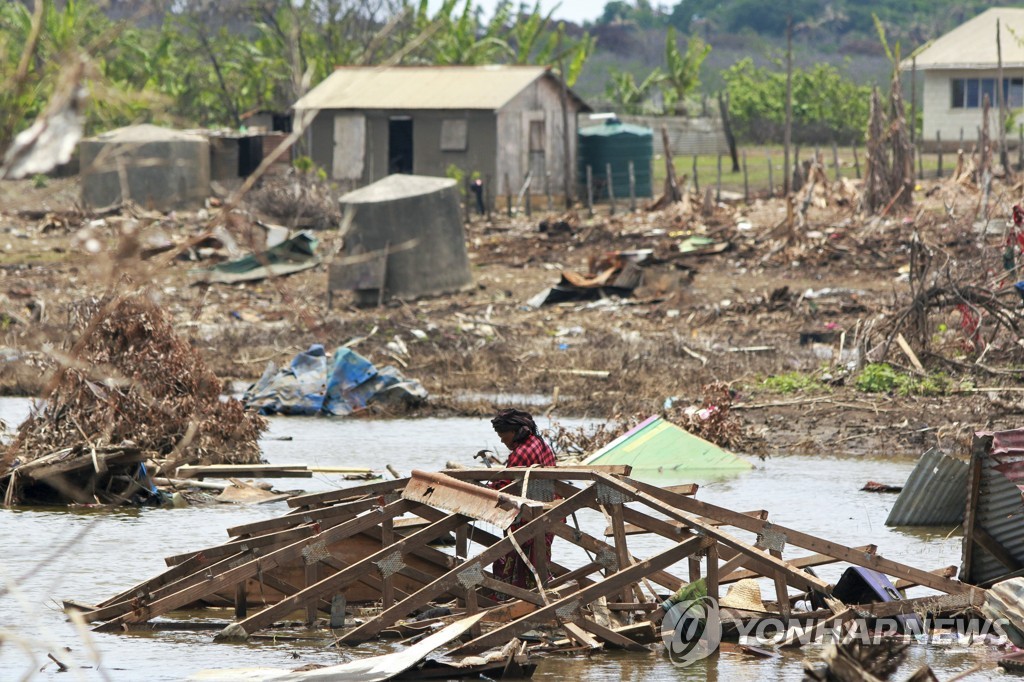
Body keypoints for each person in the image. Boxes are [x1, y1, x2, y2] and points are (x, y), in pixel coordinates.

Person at [489, 409, 556, 589]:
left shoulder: (522, 452)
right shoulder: (541, 444)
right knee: (537, 558)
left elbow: (505, 485)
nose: (502, 439)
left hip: (527, 515)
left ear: (515, 431)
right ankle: (537, 591)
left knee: (516, 558)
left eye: (503, 434)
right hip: (549, 511)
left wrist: (486, 489)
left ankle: (516, 595)